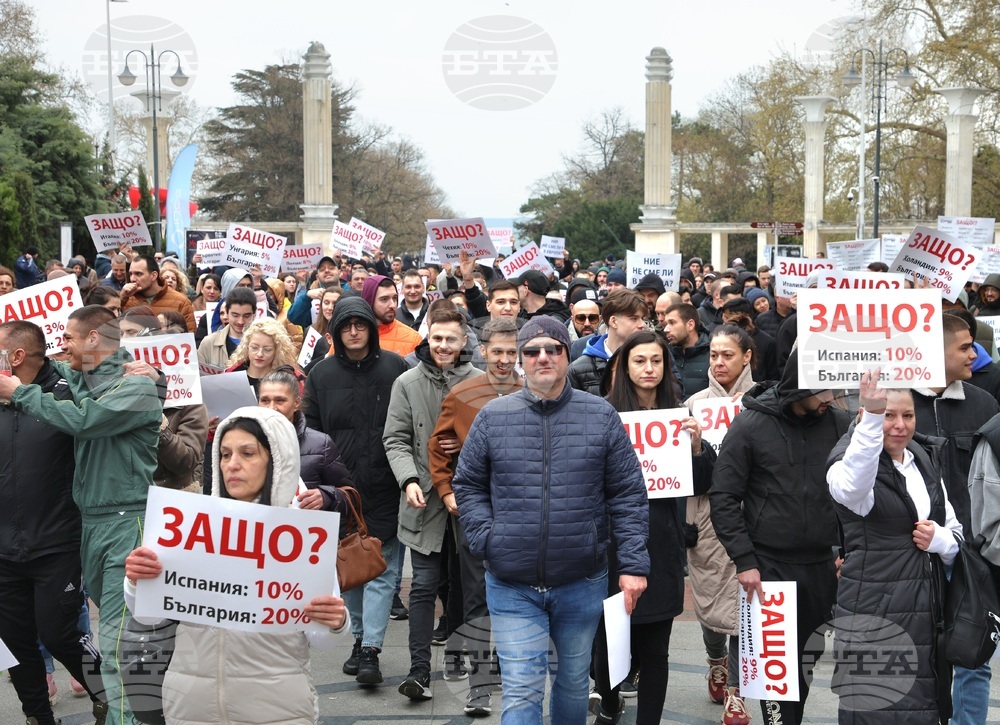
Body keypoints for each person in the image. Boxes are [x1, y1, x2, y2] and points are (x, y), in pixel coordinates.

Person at [453, 315, 650, 723]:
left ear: (566, 354)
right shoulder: (493, 416)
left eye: (553, 349)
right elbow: (468, 483)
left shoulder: (600, 416)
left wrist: (632, 564)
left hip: (580, 578)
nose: (543, 357)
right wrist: (487, 538)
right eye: (532, 351)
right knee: (522, 687)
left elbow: (628, 493)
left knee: (574, 681)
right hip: (511, 581)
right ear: (521, 360)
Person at [123, 407, 348, 725]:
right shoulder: (188, 528)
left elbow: (323, 638)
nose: (233, 465)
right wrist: (137, 581)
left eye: (247, 453)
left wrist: (337, 621)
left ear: (276, 460)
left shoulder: (302, 538)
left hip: (277, 710)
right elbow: (148, 615)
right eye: (225, 454)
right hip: (192, 708)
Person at [0, 305, 161, 725]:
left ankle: (126, 717)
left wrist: (16, 391)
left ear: (93, 339)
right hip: (90, 524)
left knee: (118, 645)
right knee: (111, 643)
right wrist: (23, 360)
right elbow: (47, 363)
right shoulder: (86, 375)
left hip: (127, 522)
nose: (61, 345)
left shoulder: (138, 387)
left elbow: (84, 420)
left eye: (68, 337)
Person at [711, 349, 849, 725]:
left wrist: (847, 550)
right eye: (821, 393)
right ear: (799, 385)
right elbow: (723, 497)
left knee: (804, 663)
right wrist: (745, 560)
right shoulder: (750, 425)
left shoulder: (839, 422)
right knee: (775, 673)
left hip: (821, 566)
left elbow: (854, 494)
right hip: (767, 567)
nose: (828, 402)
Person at [591, 330, 714, 725]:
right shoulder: (601, 415)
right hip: (611, 543)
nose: (649, 368)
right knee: (612, 643)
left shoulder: (680, 415)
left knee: (657, 648)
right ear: (624, 367)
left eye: (657, 360)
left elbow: (700, 484)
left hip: (660, 543)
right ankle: (609, 703)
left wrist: (697, 449)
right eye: (640, 360)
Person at [827, 373, 960, 723]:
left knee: (923, 711)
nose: (900, 426)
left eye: (908, 415)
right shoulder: (844, 464)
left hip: (926, 612)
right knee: (875, 709)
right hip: (874, 614)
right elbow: (855, 488)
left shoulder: (924, 460)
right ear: (864, 416)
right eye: (889, 415)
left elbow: (954, 530)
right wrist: (872, 416)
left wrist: (942, 541)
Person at [0, 321, 107, 725]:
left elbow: (111, 377)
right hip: (4, 547)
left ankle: (108, 695)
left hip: (57, 543)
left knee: (59, 632)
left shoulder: (66, 393)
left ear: (17, 356)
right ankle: (38, 717)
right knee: (13, 642)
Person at [303, 296, 410, 686]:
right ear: (336, 331)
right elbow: (311, 433)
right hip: (340, 489)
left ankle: (371, 650)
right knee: (349, 569)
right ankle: (359, 638)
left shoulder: (396, 367)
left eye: (360, 324)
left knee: (382, 571)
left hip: (385, 485)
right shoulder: (320, 374)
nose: (353, 331)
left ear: (370, 328)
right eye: (346, 325)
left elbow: (408, 422)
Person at [384, 305, 484, 699]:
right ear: (427, 335)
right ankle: (419, 670)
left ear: (464, 341)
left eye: (451, 339)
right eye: (437, 337)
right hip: (423, 498)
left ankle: (462, 663)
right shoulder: (407, 382)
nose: (443, 346)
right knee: (424, 585)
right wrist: (408, 477)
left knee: (466, 585)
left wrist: (465, 440)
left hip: (471, 498)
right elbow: (395, 438)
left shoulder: (481, 382)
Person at [428, 317, 521, 716]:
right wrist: (447, 492)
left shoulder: (534, 388)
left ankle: (511, 672)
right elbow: (436, 447)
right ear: (482, 351)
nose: (503, 360)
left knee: (518, 598)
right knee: (476, 597)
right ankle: (479, 687)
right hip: (475, 510)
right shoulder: (462, 392)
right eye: (496, 352)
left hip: (523, 511)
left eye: (511, 352)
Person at [911, 313, 1000, 721]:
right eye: (964, 346)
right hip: (911, 555)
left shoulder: (984, 405)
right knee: (917, 662)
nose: (975, 353)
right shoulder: (897, 404)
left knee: (973, 657)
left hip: (971, 559)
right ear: (934, 350)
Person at [684, 324, 757, 722]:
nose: (718, 361)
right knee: (712, 605)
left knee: (746, 607)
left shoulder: (763, 401)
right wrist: (694, 446)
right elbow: (688, 478)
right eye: (713, 354)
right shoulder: (694, 404)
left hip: (753, 517)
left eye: (727, 354)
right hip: (707, 519)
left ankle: (737, 691)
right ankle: (716, 659)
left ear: (747, 357)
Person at [259, 367, 350, 513]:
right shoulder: (243, 442)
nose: (271, 408)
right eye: (265, 400)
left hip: (304, 532)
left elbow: (349, 496)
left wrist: (326, 496)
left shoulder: (321, 445)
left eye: (280, 400)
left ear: (296, 403)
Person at [568, 289, 648, 394]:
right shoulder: (577, 370)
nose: (642, 324)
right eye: (634, 318)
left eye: (643, 318)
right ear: (613, 321)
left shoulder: (656, 356)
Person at [226, 317, 301, 398]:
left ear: (277, 351)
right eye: (254, 348)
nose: (259, 354)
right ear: (247, 347)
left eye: (267, 350)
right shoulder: (231, 376)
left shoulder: (290, 379)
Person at [120, 254, 196, 332]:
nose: (132, 279)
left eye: (138, 274)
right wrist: (122, 298)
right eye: (131, 274)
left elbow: (189, 336)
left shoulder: (181, 301)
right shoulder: (127, 299)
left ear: (154, 275)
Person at [361, 274, 422, 358]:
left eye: (394, 298)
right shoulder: (351, 336)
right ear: (369, 301)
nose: (392, 305)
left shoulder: (414, 339)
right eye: (384, 299)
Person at [197, 287, 258, 368]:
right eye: (235, 315)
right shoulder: (208, 343)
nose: (241, 321)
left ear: (254, 314)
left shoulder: (264, 342)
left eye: (246, 316)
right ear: (227, 313)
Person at [662, 303, 711, 396]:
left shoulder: (713, 354)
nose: (666, 329)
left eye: (672, 323)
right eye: (666, 324)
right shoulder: (665, 355)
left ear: (690, 325)